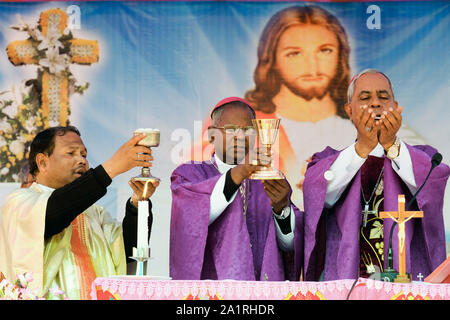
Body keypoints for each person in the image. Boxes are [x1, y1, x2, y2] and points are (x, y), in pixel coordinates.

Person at [302, 69, 449, 281]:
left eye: (383, 97)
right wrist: (363, 148)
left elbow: (432, 188)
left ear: (396, 108)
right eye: (365, 98)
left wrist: (391, 145)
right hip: (348, 281)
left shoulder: (422, 158)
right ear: (349, 111)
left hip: (405, 280)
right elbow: (320, 197)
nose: (375, 103)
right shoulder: (328, 161)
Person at [0, 126, 159, 299]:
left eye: (84, 155)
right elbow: (53, 214)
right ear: (42, 162)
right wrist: (111, 168)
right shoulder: (19, 203)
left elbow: (127, 252)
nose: (82, 160)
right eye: (71, 153)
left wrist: (138, 203)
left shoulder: (94, 212)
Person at [170, 97, 303, 281]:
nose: (240, 136)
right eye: (231, 129)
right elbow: (191, 222)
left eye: (247, 130)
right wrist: (239, 173)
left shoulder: (269, 180)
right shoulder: (190, 174)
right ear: (211, 134)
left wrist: (282, 210)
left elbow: (290, 246)